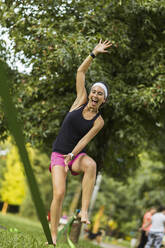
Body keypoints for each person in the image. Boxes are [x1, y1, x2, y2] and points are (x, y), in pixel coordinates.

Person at [48, 39, 112, 246]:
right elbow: (80, 73)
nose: (94, 94)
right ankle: (53, 237)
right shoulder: (79, 100)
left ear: (104, 100)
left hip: (74, 156)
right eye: (94, 91)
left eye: (99, 94)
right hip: (59, 154)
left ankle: (84, 211)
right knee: (59, 193)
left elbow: (84, 140)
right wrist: (94, 53)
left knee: (91, 165)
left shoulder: (99, 121)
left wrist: (71, 156)